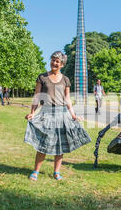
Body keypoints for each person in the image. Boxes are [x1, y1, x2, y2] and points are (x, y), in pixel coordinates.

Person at [24, 51, 91, 181]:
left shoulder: (65, 79)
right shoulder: (42, 77)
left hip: (62, 114)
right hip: (46, 113)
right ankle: (36, 171)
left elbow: (67, 99)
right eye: (53, 60)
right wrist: (32, 112)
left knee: (60, 146)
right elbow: (37, 97)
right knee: (43, 144)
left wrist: (73, 115)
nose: (54, 63)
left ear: (61, 64)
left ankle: (56, 172)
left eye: (57, 61)